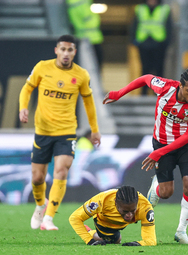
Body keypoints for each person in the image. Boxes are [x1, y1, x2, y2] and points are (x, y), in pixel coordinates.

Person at [103, 68, 188, 244]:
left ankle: (181, 231)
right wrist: (120, 93)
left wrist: (158, 153)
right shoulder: (166, 88)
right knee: (166, 193)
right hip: (162, 142)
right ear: (181, 86)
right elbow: (145, 79)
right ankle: (157, 186)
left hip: (187, 145)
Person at [19, 35, 101, 231]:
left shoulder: (81, 75)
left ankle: (48, 218)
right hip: (43, 131)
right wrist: (23, 107)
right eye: (63, 49)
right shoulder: (42, 68)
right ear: (56, 50)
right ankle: (40, 205)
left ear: (74, 52)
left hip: (66, 131)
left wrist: (95, 130)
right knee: (38, 178)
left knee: (61, 171)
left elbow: (88, 102)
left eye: (70, 50)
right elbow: (26, 88)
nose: (66, 53)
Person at [69, 185, 156, 246]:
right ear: (115, 202)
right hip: (105, 221)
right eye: (125, 211)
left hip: (121, 224)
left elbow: (151, 241)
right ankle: (89, 231)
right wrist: (89, 240)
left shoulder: (145, 207)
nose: (129, 215)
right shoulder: (101, 200)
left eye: (133, 210)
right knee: (112, 240)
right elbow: (75, 218)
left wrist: (139, 244)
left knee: (116, 239)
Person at [130, 0, 173, 95]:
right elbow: (135, 24)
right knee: (145, 68)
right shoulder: (140, 8)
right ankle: (144, 92)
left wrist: (167, 42)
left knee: (159, 68)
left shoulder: (164, 9)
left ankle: (158, 92)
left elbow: (169, 26)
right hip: (144, 42)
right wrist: (134, 40)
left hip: (159, 43)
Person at [66, 0, 104, 70]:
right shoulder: (81, 2)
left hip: (82, 37)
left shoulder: (72, 2)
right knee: (94, 68)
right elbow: (90, 20)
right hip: (91, 39)